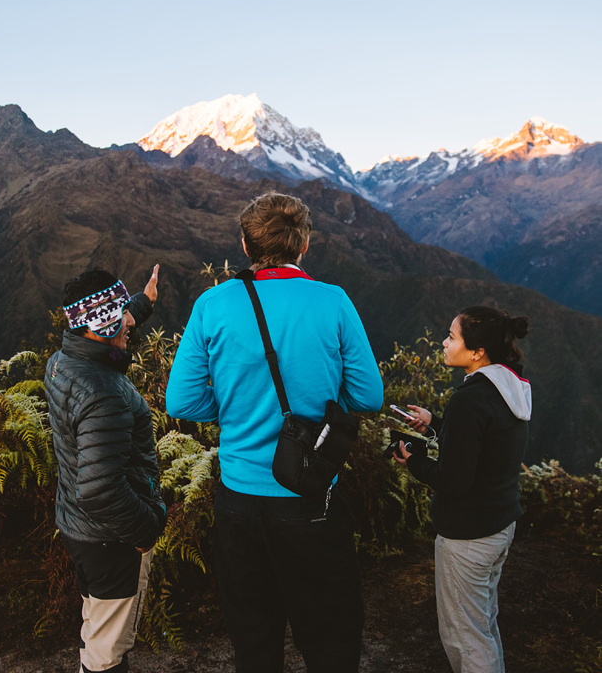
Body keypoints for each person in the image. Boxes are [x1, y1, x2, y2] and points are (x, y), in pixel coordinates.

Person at [165, 192, 384, 673]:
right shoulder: (334, 302)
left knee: (255, 642)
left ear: (244, 245)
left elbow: (179, 401)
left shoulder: (212, 304)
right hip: (312, 498)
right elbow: (368, 397)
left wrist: (236, 411)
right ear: (304, 244)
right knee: (329, 641)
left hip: (239, 501)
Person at [392, 305, 531, 673]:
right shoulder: (509, 386)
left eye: (452, 337)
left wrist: (412, 461)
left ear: (476, 352)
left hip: (468, 535)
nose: (444, 342)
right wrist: (436, 425)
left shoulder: (469, 398)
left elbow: (454, 481)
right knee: (482, 626)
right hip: (499, 524)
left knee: (465, 638)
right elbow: (484, 447)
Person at [44, 265, 167, 673]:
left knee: (96, 624)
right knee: (107, 653)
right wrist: (146, 530)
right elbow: (99, 489)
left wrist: (144, 303)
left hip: (80, 528)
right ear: (100, 323)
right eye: (123, 314)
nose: (129, 321)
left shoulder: (65, 361)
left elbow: (108, 325)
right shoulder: (104, 392)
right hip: (112, 539)